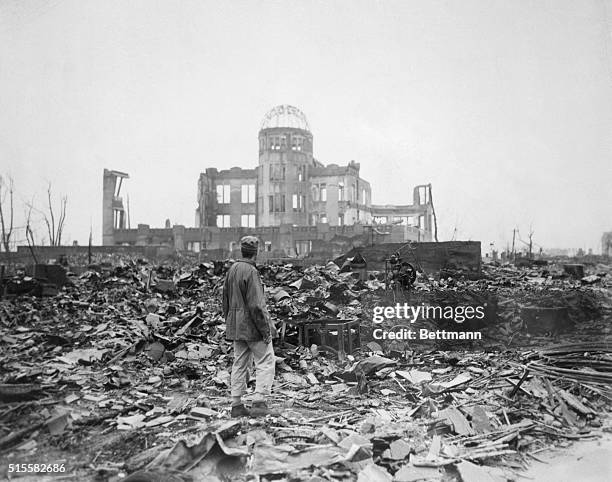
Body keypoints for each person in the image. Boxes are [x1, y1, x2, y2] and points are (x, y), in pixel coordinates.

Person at [222, 235, 277, 417]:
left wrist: (230, 322)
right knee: (265, 361)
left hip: (237, 327)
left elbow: (225, 301)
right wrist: (265, 330)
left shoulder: (232, 270)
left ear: (242, 250)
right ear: (256, 252)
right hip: (252, 327)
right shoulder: (251, 272)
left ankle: (236, 404)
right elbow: (256, 305)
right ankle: (259, 402)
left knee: (239, 363)